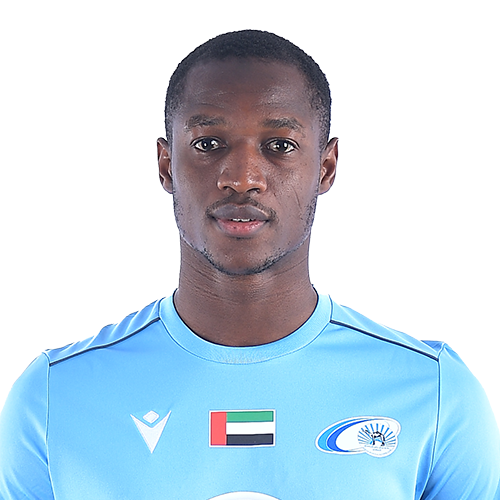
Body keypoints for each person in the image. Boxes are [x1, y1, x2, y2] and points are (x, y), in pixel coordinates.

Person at [0, 30, 498, 500]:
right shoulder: (54, 397)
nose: (241, 178)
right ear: (166, 165)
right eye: (208, 144)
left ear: (326, 168)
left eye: (279, 146)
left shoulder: (434, 393)